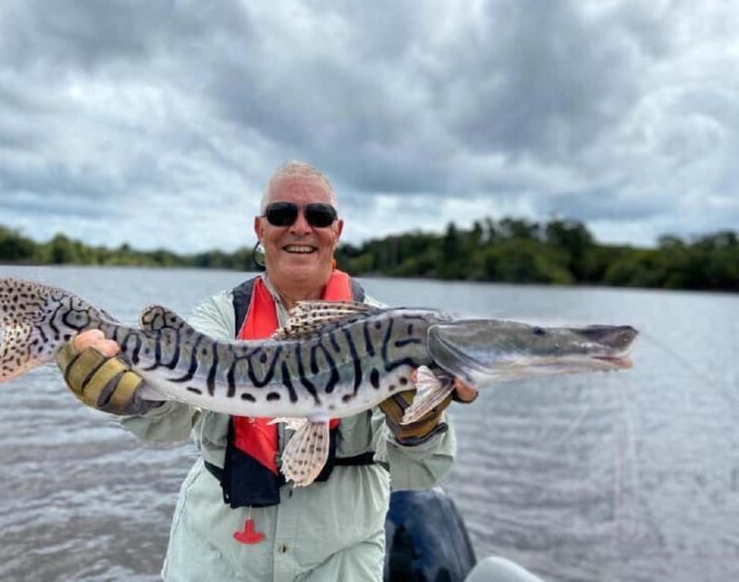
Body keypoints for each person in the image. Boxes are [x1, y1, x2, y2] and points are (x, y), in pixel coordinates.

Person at [57, 161, 477, 581]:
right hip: (216, 557)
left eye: (318, 216)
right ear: (260, 229)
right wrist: (133, 398)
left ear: (337, 231)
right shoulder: (221, 317)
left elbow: (421, 470)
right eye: (281, 215)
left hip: (338, 560)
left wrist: (418, 428)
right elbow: (174, 419)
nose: (300, 227)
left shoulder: (389, 326)